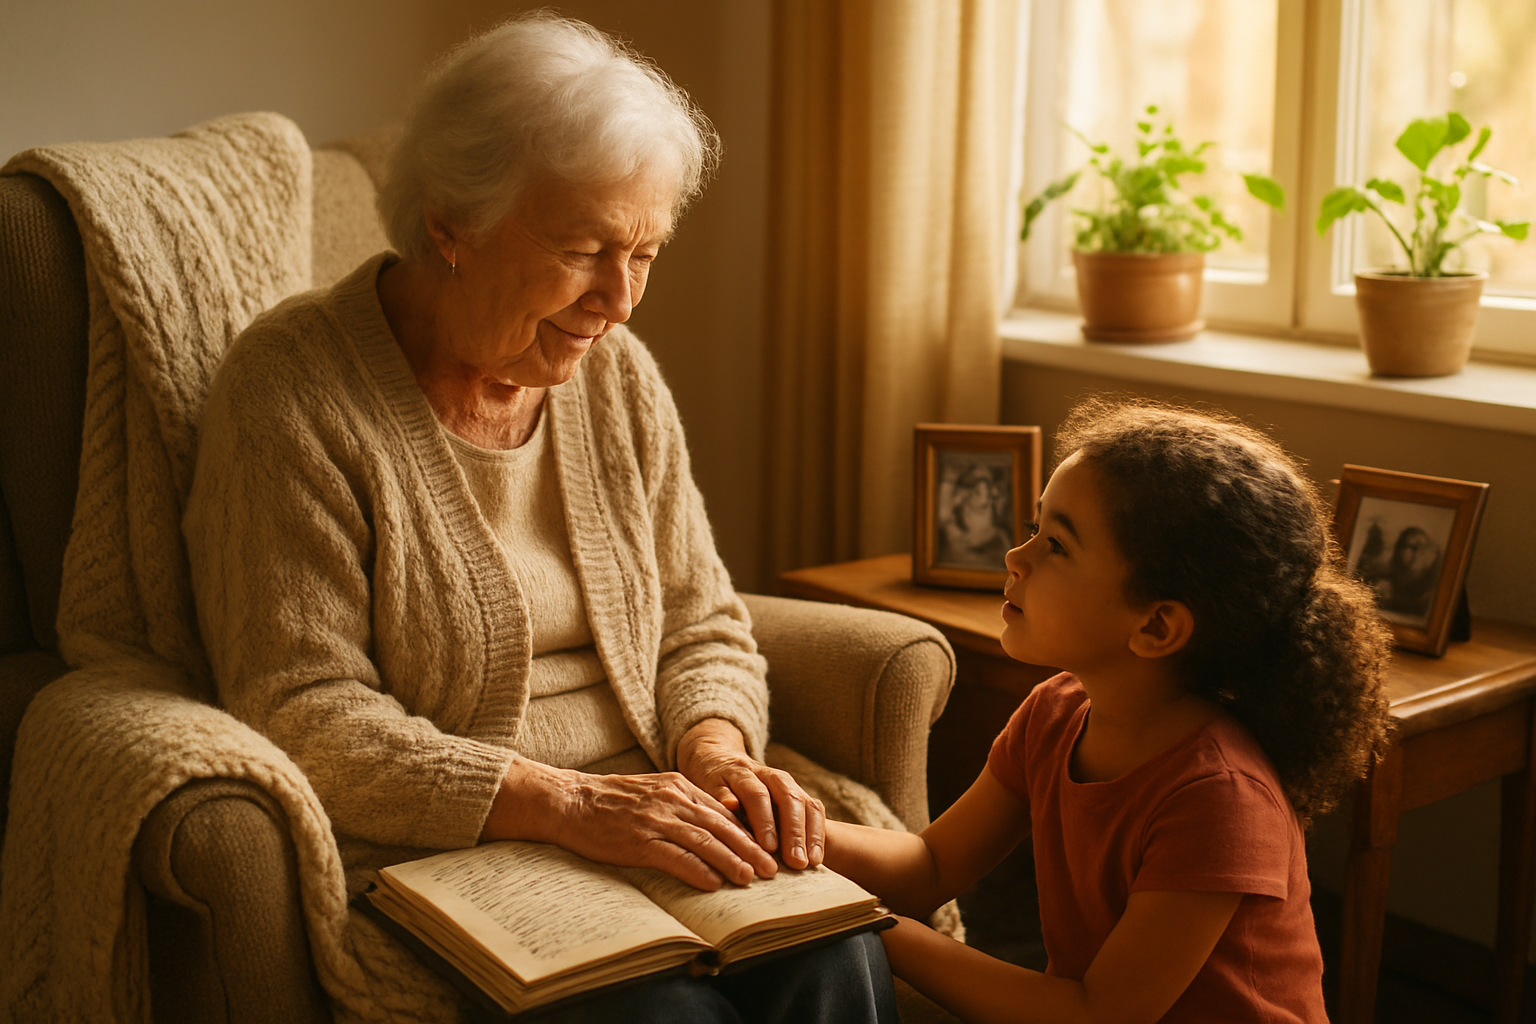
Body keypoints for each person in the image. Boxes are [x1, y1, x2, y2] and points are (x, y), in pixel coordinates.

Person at [183, 13, 894, 1022]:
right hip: (460, 846)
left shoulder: (616, 379)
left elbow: (702, 618)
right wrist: (565, 803)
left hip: (653, 809)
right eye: (585, 250)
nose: (622, 299)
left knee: (838, 958)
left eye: (645, 252)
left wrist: (718, 754)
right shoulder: (293, 391)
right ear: (450, 226)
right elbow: (303, 709)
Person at [822, 398, 1395, 1023]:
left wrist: (865, 925)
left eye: (1058, 545)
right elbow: (929, 867)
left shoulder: (1221, 797)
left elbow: (1095, 1014)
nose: (1017, 557)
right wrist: (780, 826)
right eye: (1032, 527)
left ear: (1155, 625)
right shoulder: (1055, 712)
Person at [937, 462, 1013, 569]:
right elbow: (944, 516)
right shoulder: (959, 507)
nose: (971, 494)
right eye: (972, 489)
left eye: (977, 492)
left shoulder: (996, 534)